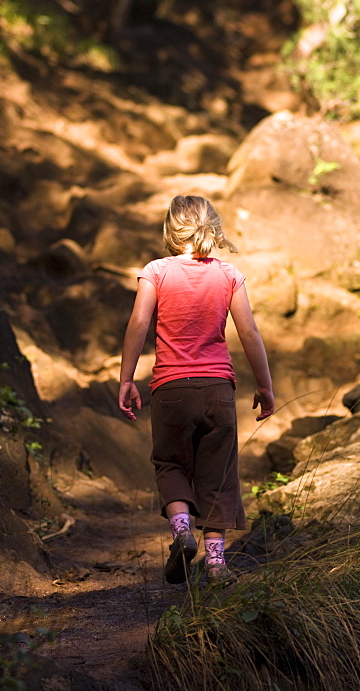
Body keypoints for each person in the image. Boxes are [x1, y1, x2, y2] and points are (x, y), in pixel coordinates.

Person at [118, 194, 274, 585]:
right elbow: (249, 333)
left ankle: (182, 530)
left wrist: (126, 378)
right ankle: (217, 561)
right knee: (217, 472)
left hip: (171, 389)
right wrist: (265, 386)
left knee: (171, 464)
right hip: (218, 390)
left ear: (171, 231)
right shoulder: (228, 275)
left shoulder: (156, 272)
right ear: (213, 229)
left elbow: (138, 325)